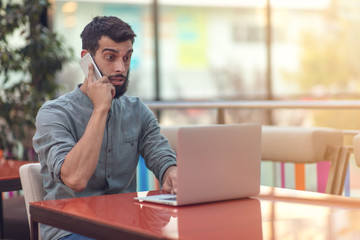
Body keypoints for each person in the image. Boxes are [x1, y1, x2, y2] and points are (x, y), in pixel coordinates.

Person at [33, 16, 177, 240]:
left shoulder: (138, 111)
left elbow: (161, 155)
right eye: (111, 57)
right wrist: (100, 109)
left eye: (127, 58)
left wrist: (171, 173)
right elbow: (75, 179)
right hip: (71, 230)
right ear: (87, 60)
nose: (121, 68)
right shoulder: (54, 114)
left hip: (126, 227)